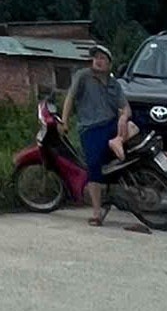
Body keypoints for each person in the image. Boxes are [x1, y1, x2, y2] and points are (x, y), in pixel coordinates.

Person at [62, 43, 132, 227]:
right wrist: (65, 121)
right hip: (90, 128)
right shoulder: (83, 76)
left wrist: (123, 117)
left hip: (110, 124)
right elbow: (70, 98)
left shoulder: (114, 84)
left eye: (102, 58)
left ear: (109, 63)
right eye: (95, 58)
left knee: (136, 123)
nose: (98, 61)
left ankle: (117, 141)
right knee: (93, 166)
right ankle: (96, 212)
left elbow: (126, 107)